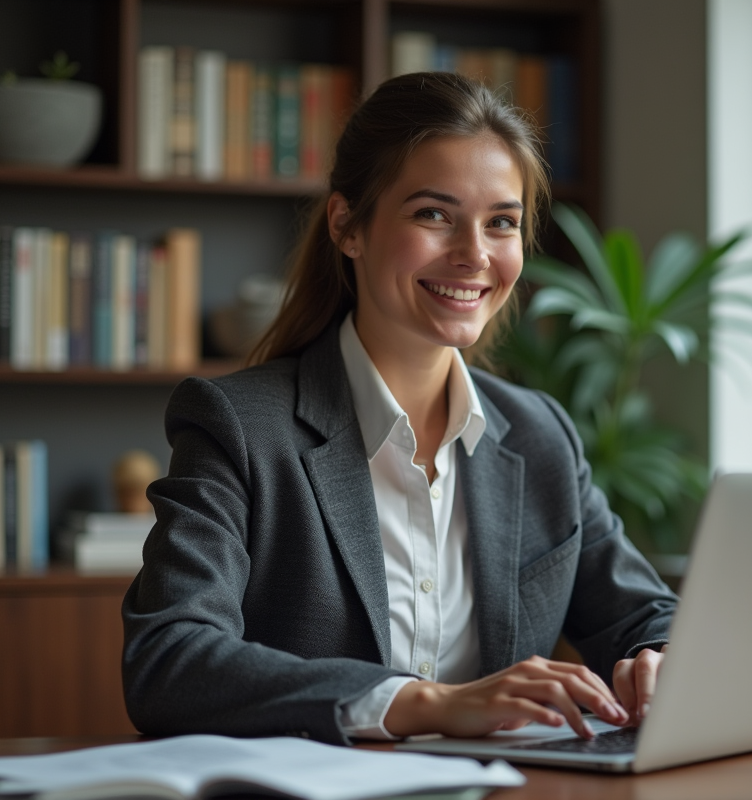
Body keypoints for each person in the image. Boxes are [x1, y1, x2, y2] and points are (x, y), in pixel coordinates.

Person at [121, 72, 678, 745]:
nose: (475, 254)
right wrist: (424, 703)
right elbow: (169, 661)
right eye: (433, 214)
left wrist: (661, 660)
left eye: (501, 222)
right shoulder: (239, 427)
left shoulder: (540, 436)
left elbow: (646, 615)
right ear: (348, 226)